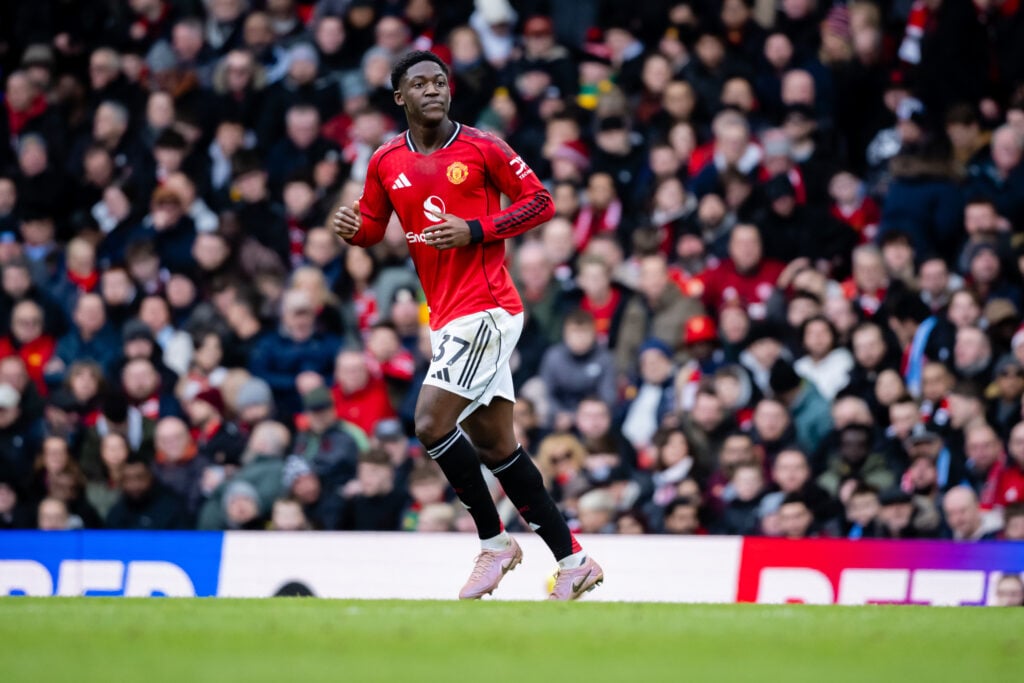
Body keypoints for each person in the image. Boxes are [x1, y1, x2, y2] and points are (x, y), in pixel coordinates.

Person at [332, 51, 602, 601]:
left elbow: (541, 202)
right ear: (400, 97)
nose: (433, 89)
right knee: (498, 447)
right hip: (447, 314)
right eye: (420, 84)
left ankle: (494, 543)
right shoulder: (385, 160)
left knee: (431, 423)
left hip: (487, 307)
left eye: (440, 81)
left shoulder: (483, 147)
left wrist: (476, 229)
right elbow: (374, 227)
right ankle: (574, 560)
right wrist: (352, 231)